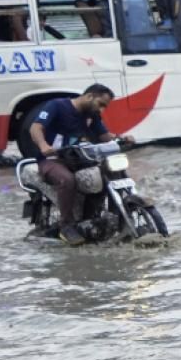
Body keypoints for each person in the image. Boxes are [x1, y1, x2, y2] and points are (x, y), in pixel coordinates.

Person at [26, 84, 131, 245]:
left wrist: (121, 138)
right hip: (52, 160)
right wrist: (43, 146)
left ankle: (93, 218)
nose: (102, 110)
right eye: (101, 104)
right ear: (89, 96)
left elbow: (103, 135)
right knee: (66, 180)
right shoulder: (57, 106)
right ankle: (66, 227)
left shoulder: (92, 114)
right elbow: (36, 128)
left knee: (105, 173)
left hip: (78, 159)